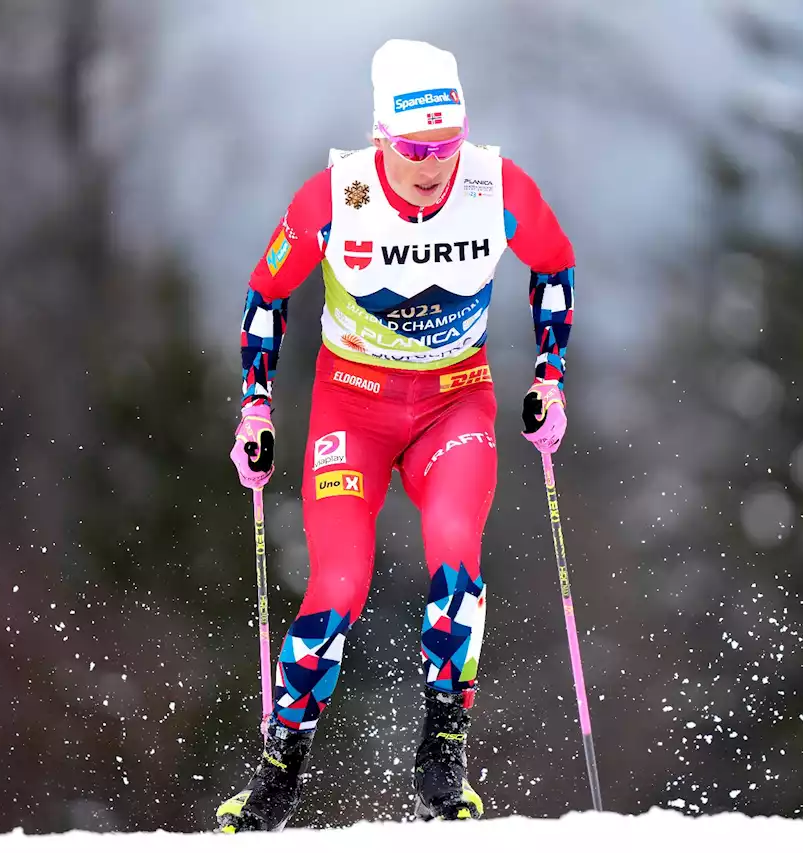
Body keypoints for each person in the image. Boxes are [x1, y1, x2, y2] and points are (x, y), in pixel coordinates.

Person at [217, 38, 575, 832]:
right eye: (415, 148)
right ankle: (279, 772)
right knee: (337, 586)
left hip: (455, 401)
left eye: (446, 146)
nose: (432, 165)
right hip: (353, 407)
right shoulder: (334, 197)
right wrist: (255, 406)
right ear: (382, 137)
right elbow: (265, 295)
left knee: (457, 554)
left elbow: (554, 263)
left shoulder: (495, 184)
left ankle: (442, 760)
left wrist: (549, 375)